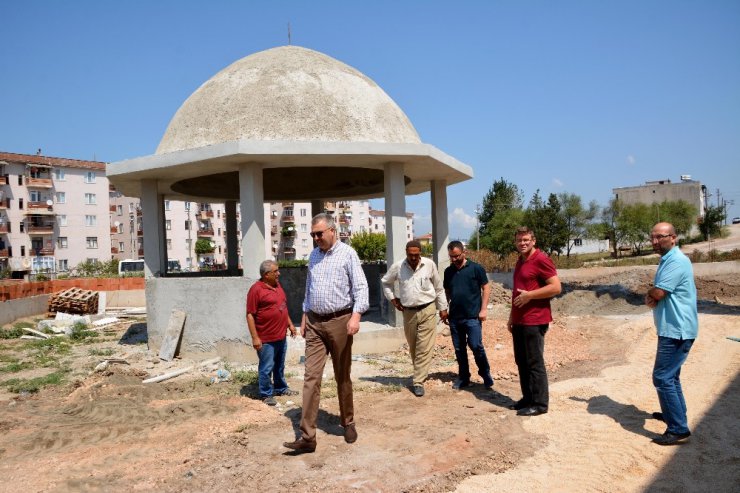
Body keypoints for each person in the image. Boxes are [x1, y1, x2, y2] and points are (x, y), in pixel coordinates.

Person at [283, 213, 369, 454]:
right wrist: (304, 316)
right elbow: (309, 289)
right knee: (311, 377)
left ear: (333, 231)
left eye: (319, 233)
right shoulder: (313, 255)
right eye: (312, 234)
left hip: (340, 321)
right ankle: (307, 436)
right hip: (314, 323)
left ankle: (348, 422)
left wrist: (356, 316)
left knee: (342, 375)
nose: (316, 238)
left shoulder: (348, 254)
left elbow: (361, 287)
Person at [644, 222, 698, 445]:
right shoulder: (668, 260)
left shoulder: (676, 261)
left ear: (673, 238)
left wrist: (652, 294)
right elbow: (658, 295)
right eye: (653, 237)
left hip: (677, 330)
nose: (656, 241)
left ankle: (678, 428)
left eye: (661, 237)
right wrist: (655, 296)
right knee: (671, 376)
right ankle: (674, 415)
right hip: (673, 328)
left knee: (662, 376)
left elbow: (659, 292)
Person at [381, 240, 448, 397]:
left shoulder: (429, 265)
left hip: (428, 309)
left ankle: (417, 381)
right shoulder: (398, 267)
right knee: (413, 346)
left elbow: (438, 288)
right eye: (411, 255)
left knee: (424, 347)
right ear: (406, 253)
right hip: (408, 312)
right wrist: (393, 299)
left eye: (416, 255)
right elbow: (385, 283)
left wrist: (443, 308)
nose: (413, 258)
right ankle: (420, 371)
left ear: (420, 253)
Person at [507, 227, 561, 417]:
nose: (523, 243)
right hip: (520, 320)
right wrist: (512, 317)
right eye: (519, 240)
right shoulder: (520, 261)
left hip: (535, 320)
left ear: (533, 241)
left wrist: (530, 296)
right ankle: (527, 398)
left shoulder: (541, 259)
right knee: (521, 361)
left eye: (526, 239)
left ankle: (539, 404)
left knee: (534, 362)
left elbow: (556, 287)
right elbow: (517, 292)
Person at [443, 240, 494, 390]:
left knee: (476, 346)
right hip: (455, 318)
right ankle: (464, 377)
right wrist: (445, 308)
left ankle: (485, 374)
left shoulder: (476, 268)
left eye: (457, 256)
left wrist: (483, 309)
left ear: (464, 253)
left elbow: (486, 287)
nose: (454, 259)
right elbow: (446, 291)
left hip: (472, 317)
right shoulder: (448, 271)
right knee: (459, 349)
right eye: (451, 256)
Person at [246, 260, 298, 406]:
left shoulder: (278, 286)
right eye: (276, 271)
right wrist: (255, 337)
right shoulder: (256, 290)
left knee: (279, 366)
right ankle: (266, 394)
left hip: (281, 335)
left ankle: (281, 388)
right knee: (266, 367)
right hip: (266, 338)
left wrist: (290, 324)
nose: (278, 274)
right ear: (266, 274)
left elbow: (282, 306)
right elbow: (250, 314)